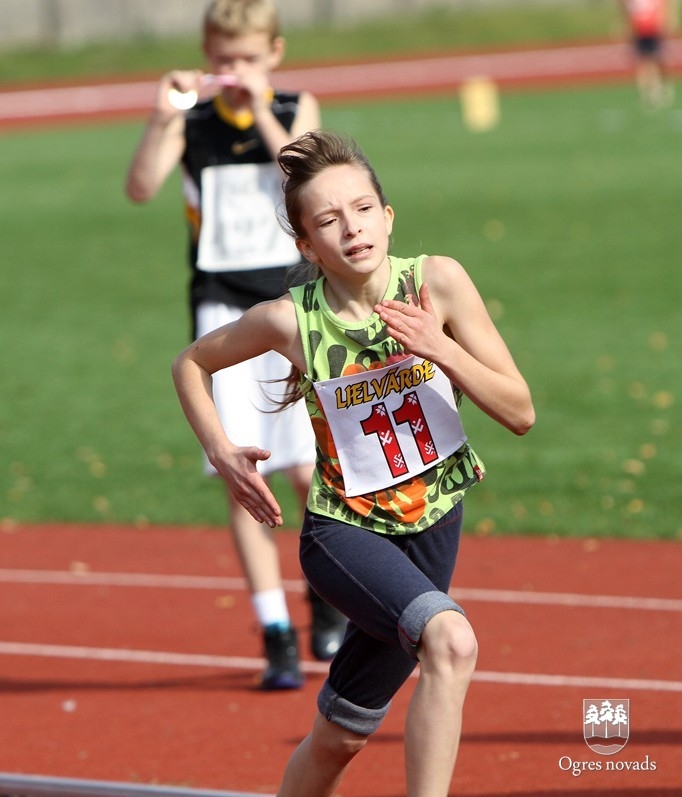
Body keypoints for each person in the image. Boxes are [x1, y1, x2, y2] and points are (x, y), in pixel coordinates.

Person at [172, 129, 535, 796]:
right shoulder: (289, 321)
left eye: (364, 208)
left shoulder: (439, 282)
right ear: (306, 244)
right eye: (329, 220)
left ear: (388, 215)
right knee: (451, 641)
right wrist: (223, 451)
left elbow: (520, 411)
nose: (353, 228)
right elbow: (191, 362)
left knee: (341, 734)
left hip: (432, 527)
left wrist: (442, 348)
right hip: (347, 535)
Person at [125, 0, 346, 690]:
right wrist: (165, 114)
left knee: (313, 470)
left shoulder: (295, 103)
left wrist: (263, 108)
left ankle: (326, 594)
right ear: (206, 54)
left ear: (273, 54)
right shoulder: (192, 120)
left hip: (294, 307)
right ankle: (275, 627)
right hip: (223, 311)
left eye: (247, 59)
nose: (234, 71)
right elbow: (139, 189)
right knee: (243, 473)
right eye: (223, 59)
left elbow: (307, 176)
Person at [620, 0, 676, 108]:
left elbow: (663, 10)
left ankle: (659, 89)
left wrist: (665, 25)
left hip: (653, 31)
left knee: (658, 60)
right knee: (642, 62)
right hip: (639, 31)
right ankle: (646, 93)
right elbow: (626, 11)